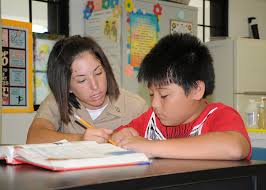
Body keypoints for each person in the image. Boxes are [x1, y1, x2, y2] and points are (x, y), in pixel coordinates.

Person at [111, 33, 251, 160]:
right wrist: (117, 137)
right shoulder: (151, 120)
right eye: (151, 94)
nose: (154, 104)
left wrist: (152, 147)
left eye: (164, 95)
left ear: (196, 90)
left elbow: (235, 148)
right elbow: (117, 137)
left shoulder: (220, 115)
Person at [27, 35, 147, 144]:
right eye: (82, 80)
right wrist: (80, 139)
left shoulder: (135, 106)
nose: (95, 86)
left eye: (98, 73)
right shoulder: (59, 101)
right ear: (67, 86)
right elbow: (34, 138)